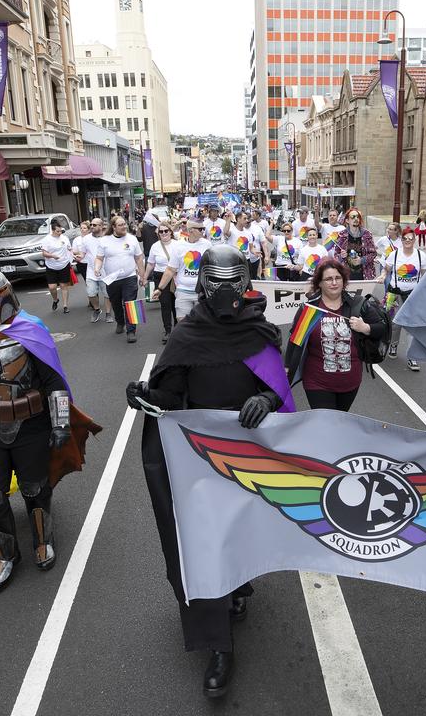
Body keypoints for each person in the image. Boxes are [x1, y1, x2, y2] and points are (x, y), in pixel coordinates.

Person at [126, 246, 294, 699]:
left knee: (239, 536)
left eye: (231, 281)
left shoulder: (259, 332)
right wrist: (146, 394)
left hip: (248, 463)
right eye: (215, 281)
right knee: (201, 548)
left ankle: (239, 585)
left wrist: (268, 399)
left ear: (244, 283)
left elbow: (276, 386)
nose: (223, 291)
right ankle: (219, 646)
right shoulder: (187, 335)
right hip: (197, 464)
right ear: (202, 283)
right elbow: (171, 397)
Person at [0, 269, 100, 592]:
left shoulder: (29, 329)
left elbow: (53, 380)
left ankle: (42, 540)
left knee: (35, 489)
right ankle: (7, 555)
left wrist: (61, 422)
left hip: (31, 423)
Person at [284, 257, 387, 411]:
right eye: (328, 279)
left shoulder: (358, 304)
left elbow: (382, 327)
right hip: (317, 382)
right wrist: (287, 368)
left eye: (338, 278)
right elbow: (295, 341)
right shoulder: (309, 309)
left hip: (350, 382)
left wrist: (365, 328)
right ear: (319, 283)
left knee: (340, 422)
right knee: (325, 425)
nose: (334, 282)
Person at [93, 217, 147, 343]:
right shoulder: (104, 241)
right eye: (120, 225)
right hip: (112, 279)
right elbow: (99, 258)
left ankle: (131, 331)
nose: (124, 227)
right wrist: (97, 268)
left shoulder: (132, 239)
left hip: (130, 277)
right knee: (115, 303)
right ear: (113, 227)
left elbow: (139, 258)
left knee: (130, 303)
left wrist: (143, 277)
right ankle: (120, 321)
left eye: (124, 224)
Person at [381, 227, 426, 370]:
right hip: (394, 294)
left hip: (412, 296)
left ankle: (413, 357)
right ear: (402, 240)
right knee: (395, 324)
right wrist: (382, 275)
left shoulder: (421, 256)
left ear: (414, 240)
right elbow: (386, 270)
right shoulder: (394, 255)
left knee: (412, 326)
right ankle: (393, 345)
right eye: (405, 239)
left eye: (410, 239)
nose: (408, 241)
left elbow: (425, 276)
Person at [153, 220, 211, 320]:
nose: (203, 231)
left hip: (201, 292)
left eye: (204, 229)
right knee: (183, 323)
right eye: (201, 229)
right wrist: (160, 288)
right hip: (183, 291)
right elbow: (170, 269)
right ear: (191, 230)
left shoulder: (207, 245)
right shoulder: (178, 246)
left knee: (201, 324)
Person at [147, 221, 177, 343]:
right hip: (160, 277)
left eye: (166, 231)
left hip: (175, 278)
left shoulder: (178, 244)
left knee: (176, 304)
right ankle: (168, 331)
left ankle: (177, 328)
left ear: (170, 232)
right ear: (158, 233)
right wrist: (144, 277)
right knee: (165, 304)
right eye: (161, 231)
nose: (164, 233)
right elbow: (150, 264)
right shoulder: (155, 246)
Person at [334, 207, 377, 280]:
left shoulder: (367, 234)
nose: (356, 219)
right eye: (353, 217)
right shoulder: (342, 235)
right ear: (347, 220)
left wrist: (362, 260)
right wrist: (341, 256)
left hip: (364, 274)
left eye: (358, 217)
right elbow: (336, 254)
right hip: (346, 275)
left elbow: (373, 254)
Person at [41, 217, 73, 313]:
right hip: (51, 266)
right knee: (52, 287)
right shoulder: (47, 240)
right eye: (58, 231)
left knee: (64, 285)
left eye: (61, 231)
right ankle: (55, 300)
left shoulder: (64, 238)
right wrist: (52, 256)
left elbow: (69, 249)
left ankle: (65, 306)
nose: (60, 233)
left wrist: (73, 255)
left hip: (64, 264)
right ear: (53, 230)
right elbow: (44, 253)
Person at [224, 210, 261, 279]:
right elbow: (225, 232)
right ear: (238, 219)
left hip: (246, 261)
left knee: (246, 281)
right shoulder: (232, 231)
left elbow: (251, 248)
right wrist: (228, 219)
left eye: (247, 218)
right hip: (234, 261)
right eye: (244, 219)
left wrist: (255, 252)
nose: (247, 220)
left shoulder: (248, 233)